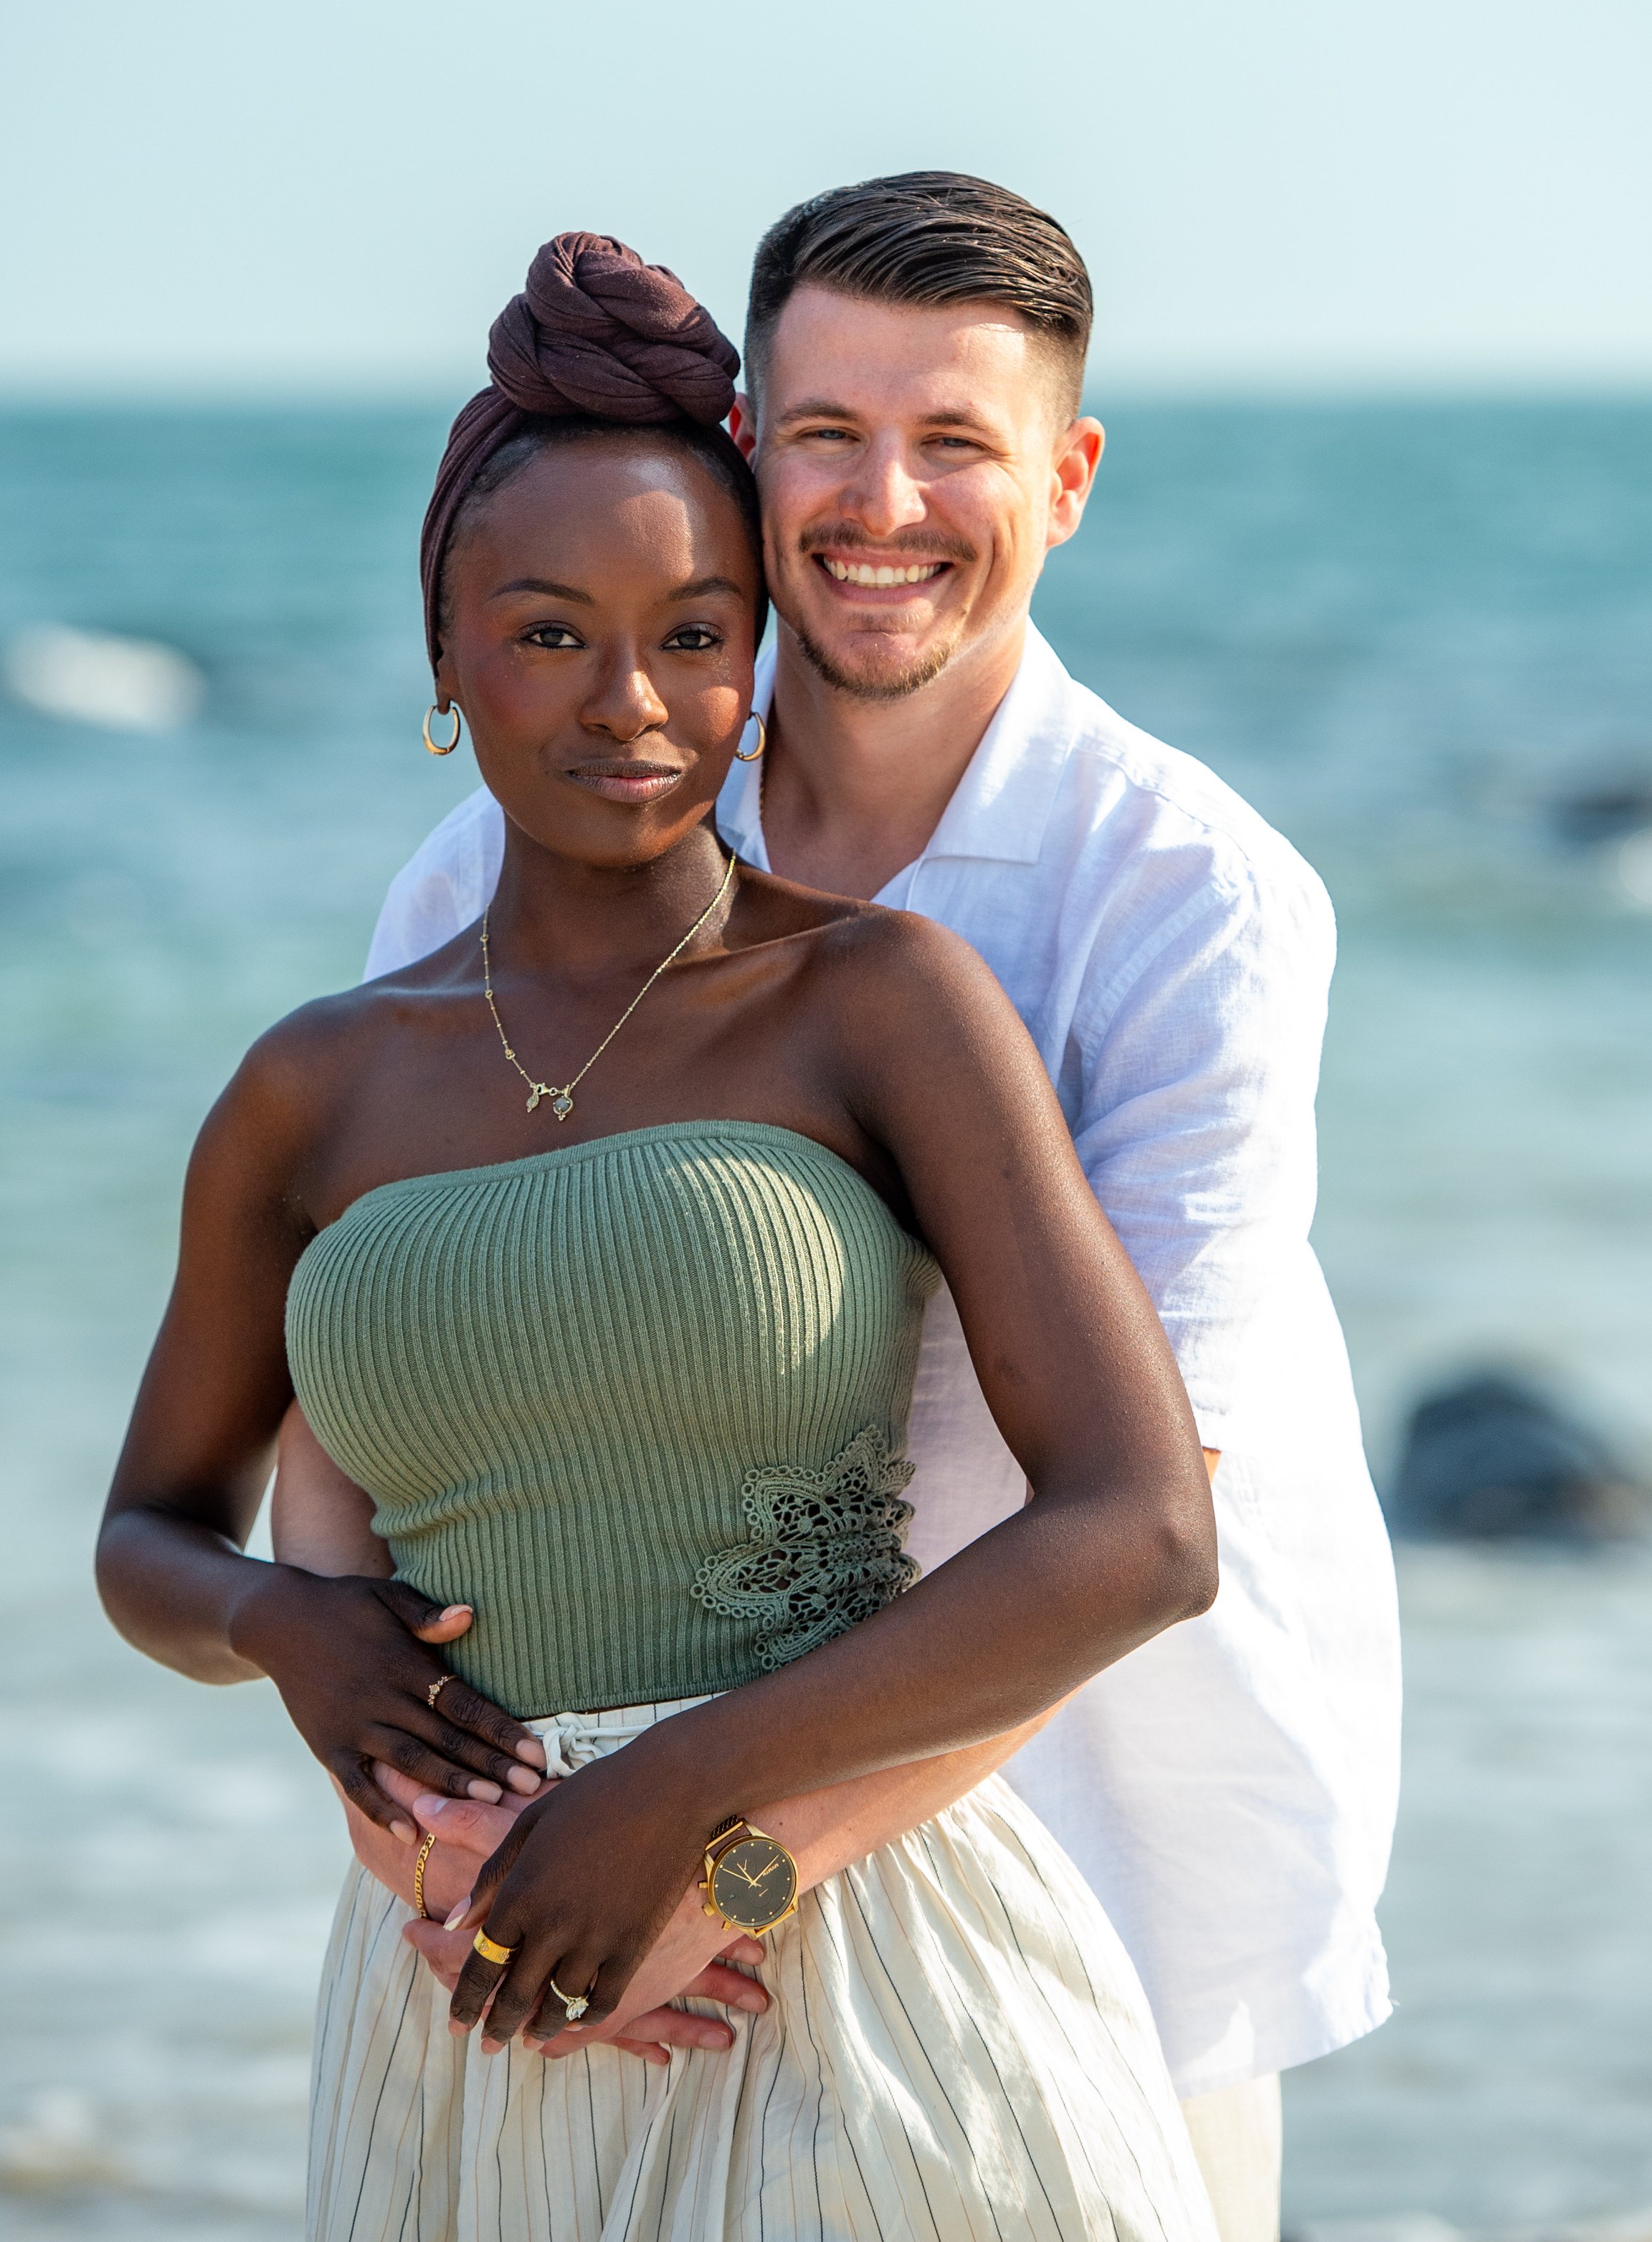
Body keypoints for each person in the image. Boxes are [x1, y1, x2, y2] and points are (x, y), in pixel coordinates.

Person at [98, 232, 1223, 2242]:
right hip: (464, 1974)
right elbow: (153, 1534)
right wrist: (294, 1639)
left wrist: (679, 1811)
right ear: (440, 651)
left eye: (698, 633)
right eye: (547, 634)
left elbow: (1141, 1527)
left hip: (843, 1963)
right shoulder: (316, 1081)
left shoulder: (882, 999)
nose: (632, 700)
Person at [341, 177, 1404, 2242]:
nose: (880, 503)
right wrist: (436, 1842)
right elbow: (376, 1409)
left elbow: (1128, 1522)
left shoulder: (1188, 899)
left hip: (1095, 1876)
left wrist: (713, 1860)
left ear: (1068, 477)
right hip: (589, 1884)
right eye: (824, 431)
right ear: (745, 452)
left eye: (956, 442)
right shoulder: (502, 869)